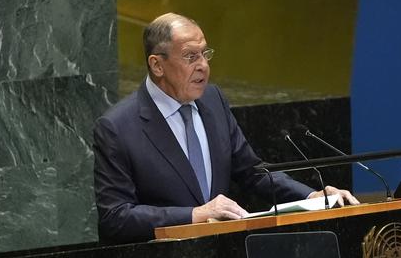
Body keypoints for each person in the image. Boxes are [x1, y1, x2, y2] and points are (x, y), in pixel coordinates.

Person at [93, 13, 359, 243]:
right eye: (190, 56)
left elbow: (252, 172)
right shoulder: (117, 128)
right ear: (157, 64)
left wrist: (313, 197)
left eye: (205, 54)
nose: (203, 66)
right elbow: (114, 217)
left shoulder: (213, 100)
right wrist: (195, 215)